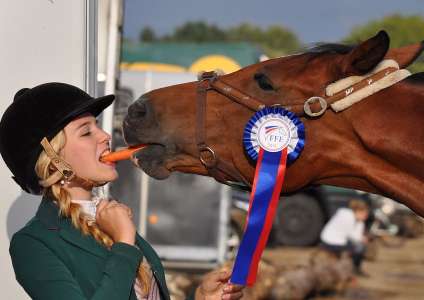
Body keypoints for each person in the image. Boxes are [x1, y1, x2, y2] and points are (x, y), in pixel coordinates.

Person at [0, 82, 244, 300]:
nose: (106, 136)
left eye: (97, 127)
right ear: (54, 161)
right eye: (86, 132)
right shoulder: (33, 244)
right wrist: (124, 244)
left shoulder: (108, 215)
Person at [320, 199, 370, 277]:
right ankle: (354, 269)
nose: (366, 216)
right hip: (331, 241)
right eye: (364, 213)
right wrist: (362, 239)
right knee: (359, 248)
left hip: (338, 241)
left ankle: (352, 268)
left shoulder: (358, 221)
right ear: (358, 211)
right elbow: (352, 235)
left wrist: (361, 237)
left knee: (358, 246)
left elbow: (355, 235)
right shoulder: (347, 216)